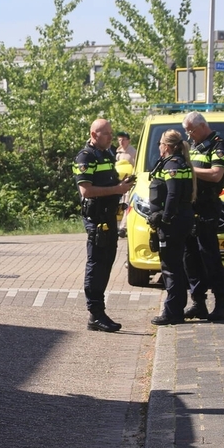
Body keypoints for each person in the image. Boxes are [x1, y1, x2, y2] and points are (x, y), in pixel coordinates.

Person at [74, 118, 135, 332]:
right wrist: (116, 190)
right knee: (97, 264)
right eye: (106, 133)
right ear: (93, 135)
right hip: (96, 218)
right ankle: (96, 314)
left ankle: (99, 312)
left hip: (110, 217)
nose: (111, 137)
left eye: (111, 132)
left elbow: (109, 181)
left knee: (107, 261)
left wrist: (122, 183)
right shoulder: (86, 157)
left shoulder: (108, 153)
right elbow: (86, 191)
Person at [182, 111, 224, 322]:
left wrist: (189, 170)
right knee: (190, 256)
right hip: (190, 207)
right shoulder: (194, 145)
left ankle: (221, 303)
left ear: (202, 126)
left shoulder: (220, 145)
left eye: (191, 131)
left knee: (209, 255)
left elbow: (215, 174)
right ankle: (198, 302)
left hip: (207, 207)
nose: (189, 136)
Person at [147, 129, 196, 325]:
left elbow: (173, 194)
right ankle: (175, 307)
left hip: (173, 223)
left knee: (170, 267)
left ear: (166, 146)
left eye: (160, 143)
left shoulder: (172, 165)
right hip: (181, 219)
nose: (159, 147)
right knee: (175, 265)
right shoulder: (179, 163)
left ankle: (172, 312)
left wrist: (165, 218)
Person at [114, 132, 137, 238]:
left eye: (123, 139)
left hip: (129, 181)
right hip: (119, 181)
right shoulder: (117, 153)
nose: (121, 142)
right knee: (120, 205)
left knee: (127, 203)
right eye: (119, 140)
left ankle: (124, 227)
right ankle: (119, 226)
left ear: (128, 140)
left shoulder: (133, 152)